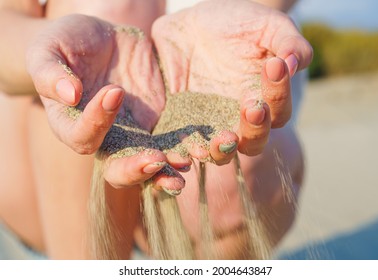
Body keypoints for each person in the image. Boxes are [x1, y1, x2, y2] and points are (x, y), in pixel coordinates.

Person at [0, 0, 312, 259]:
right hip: (47, 192)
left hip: (200, 198)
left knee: (236, 170)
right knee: (101, 15)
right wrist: (61, 54)